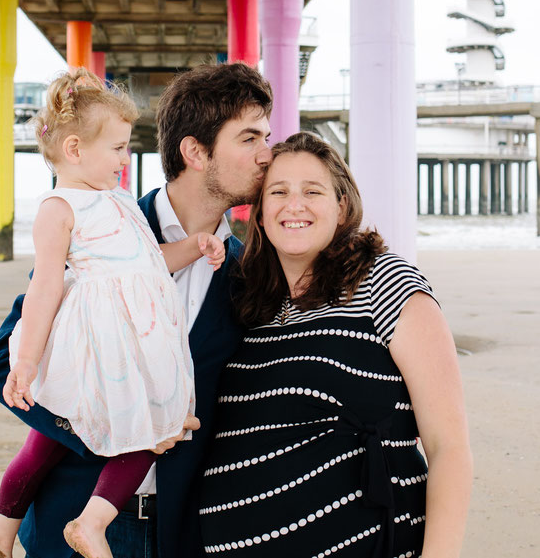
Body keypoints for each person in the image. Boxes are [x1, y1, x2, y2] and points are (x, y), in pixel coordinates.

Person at [0, 63, 274, 558]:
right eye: (250, 138)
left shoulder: (253, 274)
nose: (268, 154)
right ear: (195, 152)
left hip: (181, 533)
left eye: (267, 136)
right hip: (68, 521)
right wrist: (117, 419)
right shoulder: (96, 232)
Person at [198, 132, 473, 558]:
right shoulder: (245, 306)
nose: (295, 205)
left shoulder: (386, 283)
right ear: (261, 211)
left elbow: (448, 446)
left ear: (341, 206)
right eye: (279, 192)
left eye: (313, 191)